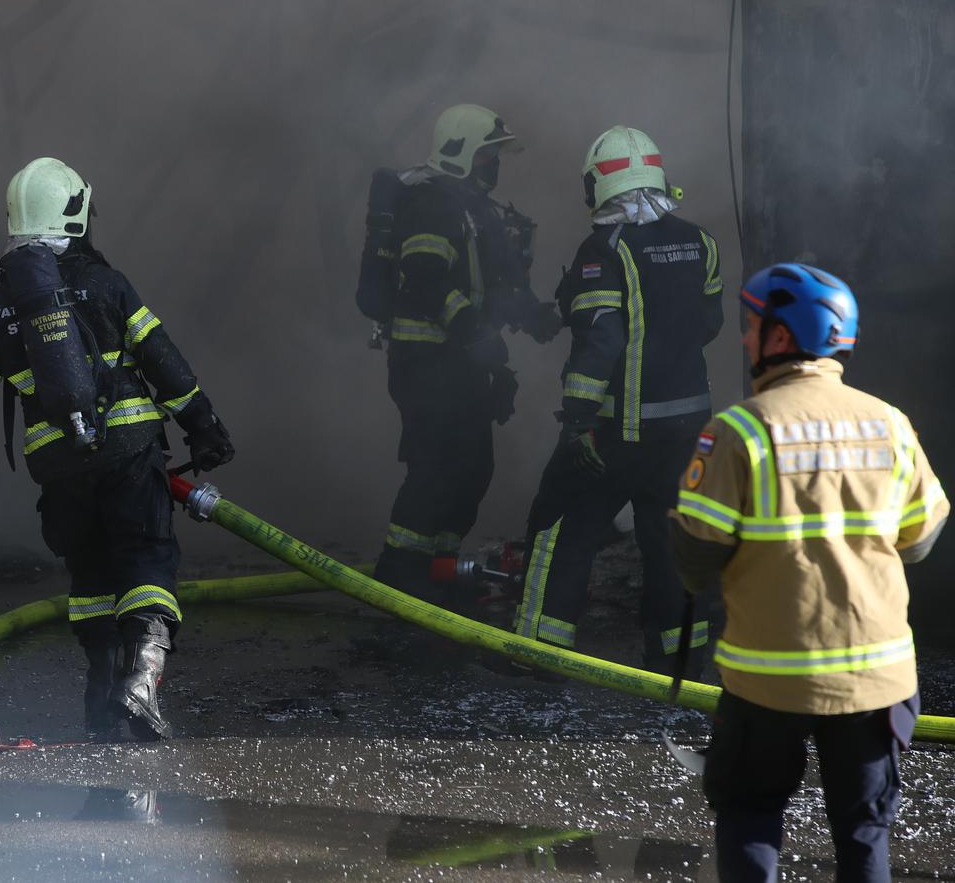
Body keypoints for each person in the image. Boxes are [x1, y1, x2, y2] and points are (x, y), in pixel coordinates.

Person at [0, 157, 234, 741]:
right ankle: (143, 678)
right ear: (76, 212)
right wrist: (203, 427)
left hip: (59, 469)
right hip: (130, 452)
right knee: (146, 561)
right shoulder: (108, 285)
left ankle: (103, 695)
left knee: (91, 579)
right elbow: (166, 364)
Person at [670, 262, 945, 883]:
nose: (744, 338)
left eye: (751, 326)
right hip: (876, 677)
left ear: (782, 338)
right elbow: (922, 539)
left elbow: (696, 555)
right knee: (863, 830)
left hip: (767, 681)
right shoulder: (891, 424)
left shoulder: (739, 430)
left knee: (751, 814)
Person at [510, 126, 723, 673]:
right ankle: (680, 661)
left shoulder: (604, 249)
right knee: (673, 540)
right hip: (687, 430)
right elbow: (709, 323)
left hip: (616, 431)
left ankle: (540, 652)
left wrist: (578, 421)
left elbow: (603, 338)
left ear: (599, 185)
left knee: (562, 527)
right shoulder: (700, 242)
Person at [359, 103, 561, 605]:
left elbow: (495, 288)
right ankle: (398, 573)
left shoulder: (473, 209)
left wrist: (540, 316)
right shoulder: (432, 205)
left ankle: (437, 567)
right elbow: (426, 279)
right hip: (426, 364)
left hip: (461, 367)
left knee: (473, 468)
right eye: (489, 154)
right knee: (435, 468)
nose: (495, 164)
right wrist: (471, 330)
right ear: (463, 153)